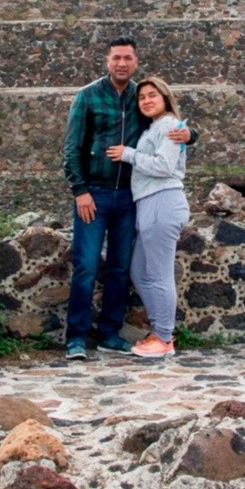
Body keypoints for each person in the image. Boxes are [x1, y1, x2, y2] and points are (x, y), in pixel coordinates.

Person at [61, 39, 191, 361]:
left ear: (135, 62)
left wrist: (191, 134)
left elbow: (168, 125)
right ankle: (76, 338)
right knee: (86, 267)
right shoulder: (88, 95)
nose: (122, 63)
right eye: (116, 57)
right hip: (95, 195)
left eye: (128, 58)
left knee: (120, 269)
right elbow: (71, 149)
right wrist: (80, 190)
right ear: (108, 60)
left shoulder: (139, 96)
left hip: (130, 198)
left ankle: (109, 334)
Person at [106, 77, 189, 359]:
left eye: (153, 95)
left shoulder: (169, 125)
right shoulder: (156, 127)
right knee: (139, 272)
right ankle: (160, 332)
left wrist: (128, 154)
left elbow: (165, 166)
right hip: (149, 203)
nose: (146, 101)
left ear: (165, 98)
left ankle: (164, 337)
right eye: (142, 97)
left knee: (159, 273)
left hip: (163, 201)